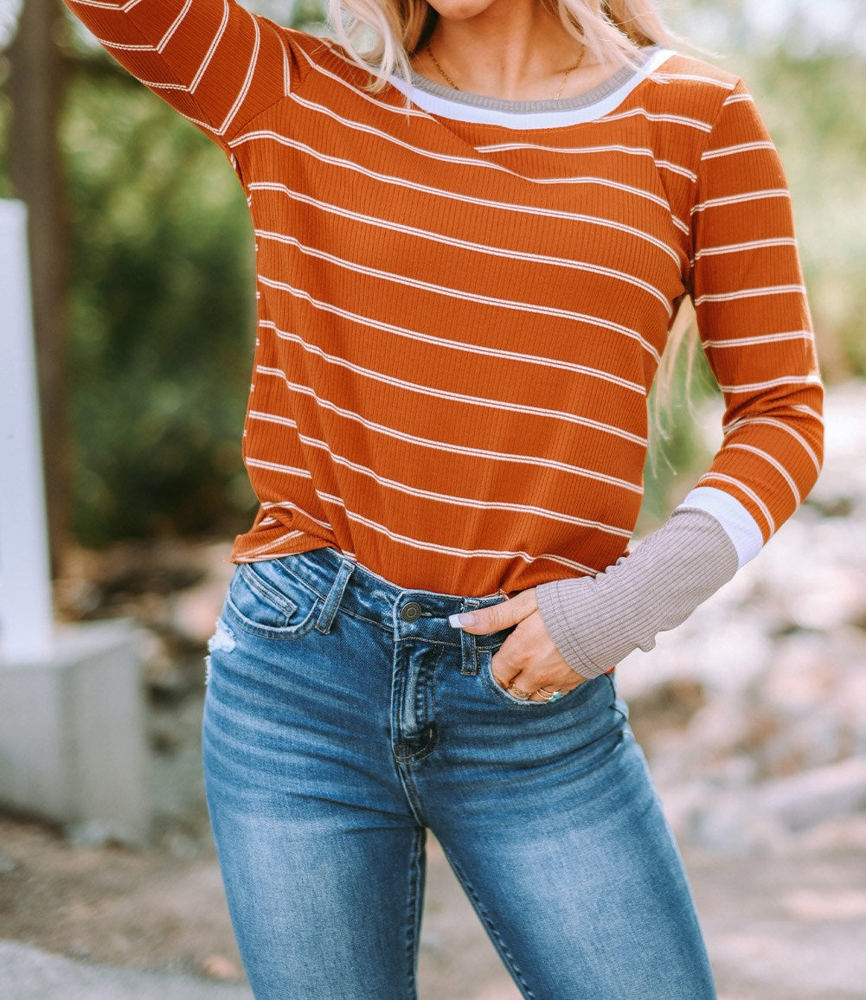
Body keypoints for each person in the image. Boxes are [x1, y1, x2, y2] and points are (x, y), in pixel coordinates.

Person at [64, 0, 824, 996]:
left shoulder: (691, 116)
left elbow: (781, 413)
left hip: (533, 704)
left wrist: (616, 608)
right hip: (298, 682)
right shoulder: (288, 86)